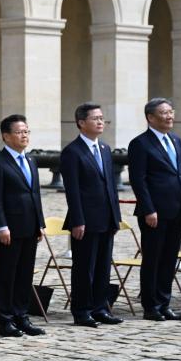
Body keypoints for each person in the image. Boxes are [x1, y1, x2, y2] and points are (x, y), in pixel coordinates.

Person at [128, 98, 181, 321]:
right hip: (154, 212)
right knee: (153, 259)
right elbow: (139, 180)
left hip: (176, 209)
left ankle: (164, 303)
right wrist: (148, 209)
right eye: (164, 112)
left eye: (171, 111)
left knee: (169, 258)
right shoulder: (140, 143)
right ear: (150, 117)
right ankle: (151, 306)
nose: (170, 116)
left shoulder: (175, 139)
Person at [60, 103, 122, 328]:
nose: (100, 122)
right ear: (81, 123)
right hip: (85, 221)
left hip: (106, 218)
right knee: (84, 268)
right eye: (95, 118)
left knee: (103, 267)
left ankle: (100, 308)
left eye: (102, 118)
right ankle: (82, 311)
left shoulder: (104, 148)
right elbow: (73, 190)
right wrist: (78, 220)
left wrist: (115, 217)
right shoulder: (72, 151)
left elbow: (111, 186)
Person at [0, 114, 47, 338]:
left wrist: (40, 223)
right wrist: (1, 225)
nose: (24, 136)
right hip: (9, 229)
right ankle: (6, 320)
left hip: (30, 227)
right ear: (6, 136)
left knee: (25, 275)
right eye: (20, 132)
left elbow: (35, 194)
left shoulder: (30, 160)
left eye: (27, 131)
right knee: (7, 275)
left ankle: (22, 316)